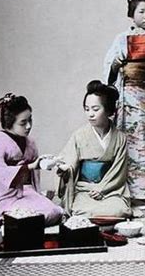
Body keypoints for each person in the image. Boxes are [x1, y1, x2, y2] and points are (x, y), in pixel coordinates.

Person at [103, 0, 145, 202]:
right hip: (126, 98)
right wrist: (116, 64)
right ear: (132, 14)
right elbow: (108, 75)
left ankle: (144, 195)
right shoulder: (121, 40)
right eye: (141, 12)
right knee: (126, 143)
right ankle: (123, 194)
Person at [0, 94, 63, 229]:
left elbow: (34, 175)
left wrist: (42, 162)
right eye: (23, 122)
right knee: (30, 217)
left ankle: (13, 220)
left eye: (30, 120)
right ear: (9, 123)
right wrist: (32, 166)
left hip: (24, 192)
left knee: (53, 212)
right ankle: (6, 219)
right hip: (2, 195)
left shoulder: (30, 142)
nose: (28, 126)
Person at [56, 81, 132, 218]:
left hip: (111, 189)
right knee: (79, 210)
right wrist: (65, 169)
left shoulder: (120, 138)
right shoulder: (79, 135)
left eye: (95, 109)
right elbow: (69, 161)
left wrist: (102, 189)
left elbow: (119, 171)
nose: (90, 114)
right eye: (87, 109)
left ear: (108, 110)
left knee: (119, 211)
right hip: (84, 189)